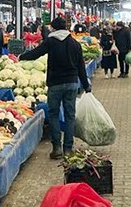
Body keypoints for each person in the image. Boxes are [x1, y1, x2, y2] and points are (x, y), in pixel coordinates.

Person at [20, 16, 92, 158]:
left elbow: (36, 53)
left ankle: (57, 148)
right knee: (70, 115)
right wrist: (86, 85)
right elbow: (81, 67)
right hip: (72, 83)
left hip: (55, 84)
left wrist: (22, 56)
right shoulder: (74, 44)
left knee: (53, 115)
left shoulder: (51, 42)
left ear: (53, 28)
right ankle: (68, 149)